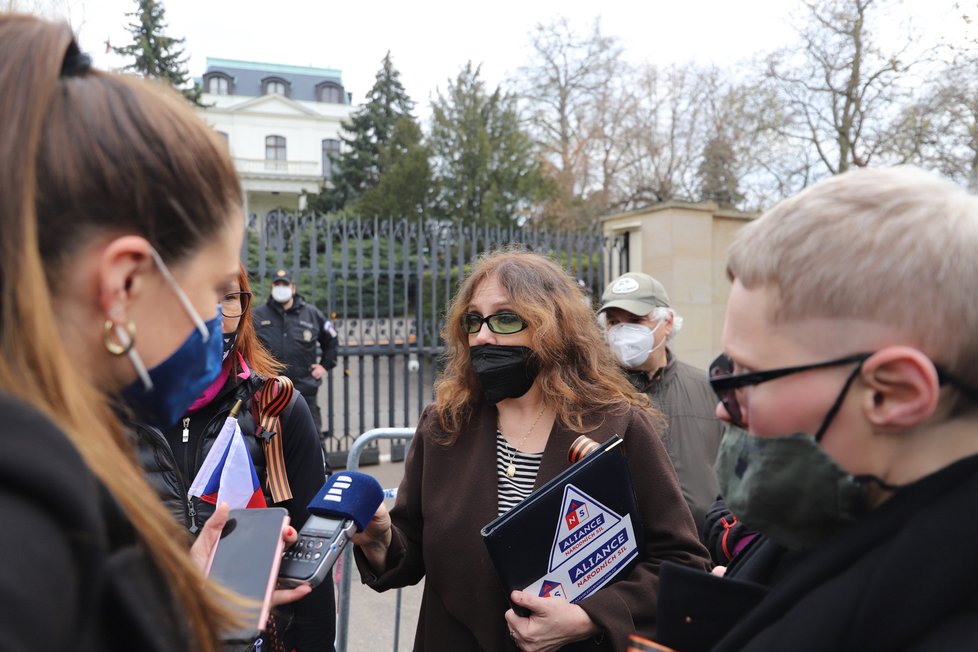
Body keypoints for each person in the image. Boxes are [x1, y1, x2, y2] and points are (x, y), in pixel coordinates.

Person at [0, 14, 307, 651]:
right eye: (208, 291)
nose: (222, 319)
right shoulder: (31, 545)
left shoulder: (60, 468)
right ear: (125, 285)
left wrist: (175, 601)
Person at [654, 166, 978, 651]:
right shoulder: (825, 517)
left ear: (893, 393)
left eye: (745, 377)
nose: (723, 409)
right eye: (723, 369)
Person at [352, 249, 710, 651]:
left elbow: (681, 562)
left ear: (552, 328)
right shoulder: (443, 426)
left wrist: (589, 616)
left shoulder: (618, 425)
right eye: (474, 320)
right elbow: (412, 551)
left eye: (505, 318)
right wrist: (380, 541)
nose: (483, 335)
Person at [135, 264, 336, 651]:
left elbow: (311, 559)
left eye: (228, 297)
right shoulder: (106, 416)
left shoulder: (278, 407)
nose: (210, 314)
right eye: (190, 294)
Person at [598, 272, 723, 539]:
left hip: (707, 553)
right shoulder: (596, 394)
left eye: (635, 321)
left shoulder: (707, 388)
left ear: (667, 322)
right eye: (613, 322)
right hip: (637, 562)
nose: (622, 332)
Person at [254, 268, 339, 438]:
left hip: (304, 391)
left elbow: (332, 340)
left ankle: (323, 466)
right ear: (272, 287)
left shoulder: (312, 314)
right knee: (270, 444)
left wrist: (324, 366)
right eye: (277, 284)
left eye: (284, 284)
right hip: (269, 393)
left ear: (293, 288)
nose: (281, 287)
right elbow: (247, 346)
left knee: (312, 440)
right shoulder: (257, 315)